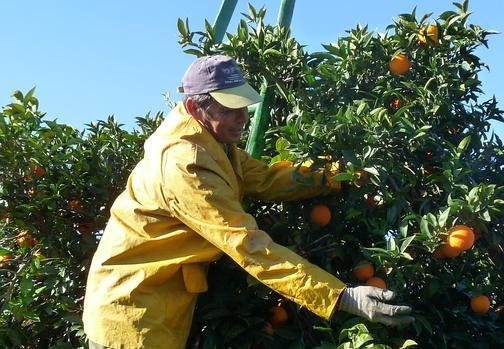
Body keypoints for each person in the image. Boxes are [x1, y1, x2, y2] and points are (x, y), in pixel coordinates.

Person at [82, 55, 414, 349]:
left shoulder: (212, 140)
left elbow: (265, 178)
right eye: (230, 108)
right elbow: (248, 245)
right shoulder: (185, 163)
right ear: (197, 107)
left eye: (242, 104)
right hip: (134, 310)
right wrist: (341, 296)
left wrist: (336, 175)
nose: (243, 116)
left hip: (161, 299)